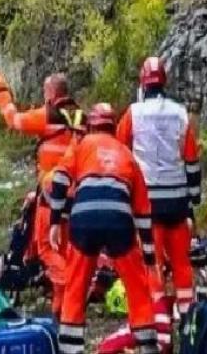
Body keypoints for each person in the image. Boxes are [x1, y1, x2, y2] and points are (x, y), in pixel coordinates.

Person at [48, 103, 159, 354]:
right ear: (113, 127)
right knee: (136, 286)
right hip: (118, 218)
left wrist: (55, 221)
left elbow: (59, 179)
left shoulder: (82, 145)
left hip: (83, 217)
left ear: (91, 125)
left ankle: (70, 348)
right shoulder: (127, 154)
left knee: (76, 285)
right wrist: (149, 256)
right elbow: (143, 212)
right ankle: (147, 345)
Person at [116, 56, 200, 341]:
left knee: (152, 260)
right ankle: (188, 315)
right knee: (181, 260)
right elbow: (191, 159)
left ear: (143, 82)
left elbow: (120, 151)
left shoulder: (133, 113)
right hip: (177, 198)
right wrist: (194, 197)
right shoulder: (180, 114)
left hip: (147, 200)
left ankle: (159, 317)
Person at [0, 71, 85, 316]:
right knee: (64, 250)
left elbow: (13, 120)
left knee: (46, 249)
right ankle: (62, 310)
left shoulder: (49, 115)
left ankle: (73, 287)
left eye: (45, 93)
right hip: (78, 195)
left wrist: (2, 93)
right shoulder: (82, 116)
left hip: (53, 194)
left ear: (52, 94)